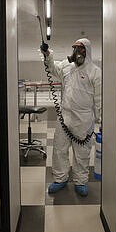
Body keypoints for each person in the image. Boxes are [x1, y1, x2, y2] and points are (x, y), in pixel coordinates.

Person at [40, 38, 101, 197]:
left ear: (86, 51)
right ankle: (60, 179)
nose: (76, 52)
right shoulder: (66, 66)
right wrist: (47, 54)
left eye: (80, 49)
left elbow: (100, 98)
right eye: (74, 48)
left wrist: (102, 119)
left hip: (84, 119)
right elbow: (52, 68)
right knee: (59, 149)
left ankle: (80, 181)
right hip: (64, 117)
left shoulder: (95, 71)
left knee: (82, 153)